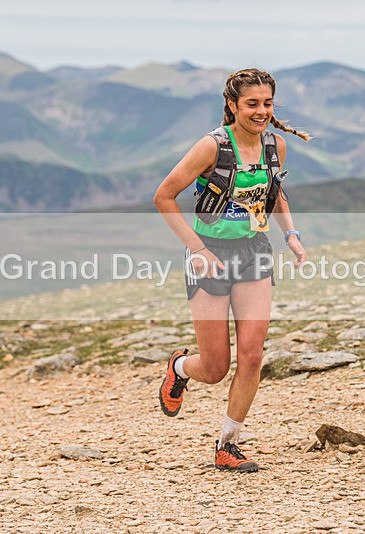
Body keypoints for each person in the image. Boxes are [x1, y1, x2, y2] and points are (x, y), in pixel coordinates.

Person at [153, 68, 309, 472]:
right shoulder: (212, 147)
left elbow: (275, 194)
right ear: (232, 105)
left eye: (267, 104)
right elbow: (164, 196)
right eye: (252, 104)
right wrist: (197, 248)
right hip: (210, 254)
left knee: (252, 355)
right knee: (215, 367)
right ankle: (179, 367)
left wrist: (291, 235)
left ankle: (228, 444)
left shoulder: (275, 145)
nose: (261, 112)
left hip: (254, 250)